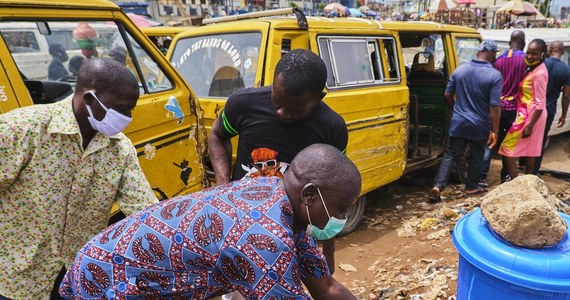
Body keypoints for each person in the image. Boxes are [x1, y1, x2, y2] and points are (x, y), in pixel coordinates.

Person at [59, 144, 361, 299]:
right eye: (340, 208)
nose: (342, 218)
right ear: (310, 194)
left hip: (123, 263)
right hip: (110, 277)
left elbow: (326, 288)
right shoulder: (262, 237)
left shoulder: (283, 198)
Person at [0, 58, 158, 300]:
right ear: (89, 99)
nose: (127, 117)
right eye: (121, 108)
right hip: (18, 278)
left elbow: (144, 208)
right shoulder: (22, 130)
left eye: (131, 109)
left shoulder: (118, 149)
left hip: (77, 276)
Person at [208, 49, 348, 279]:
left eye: (294, 110)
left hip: (294, 232)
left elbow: (331, 191)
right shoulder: (243, 104)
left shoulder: (332, 128)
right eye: (276, 102)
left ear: (318, 98)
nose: (282, 113)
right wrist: (222, 188)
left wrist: (329, 251)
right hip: (241, 223)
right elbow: (217, 134)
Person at [429, 40, 502, 202]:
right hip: (480, 124)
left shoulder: (460, 70)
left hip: (459, 121)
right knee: (476, 155)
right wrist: (495, 131)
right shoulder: (494, 75)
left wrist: (456, 109)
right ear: (491, 54)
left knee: (450, 155)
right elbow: (495, 107)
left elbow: (447, 95)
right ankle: (471, 187)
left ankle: (438, 186)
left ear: (478, 52)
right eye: (495, 54)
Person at [479, 30, 527, 186]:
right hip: (514, 109)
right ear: (523, 42)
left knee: (490, 142)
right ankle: (505, 176)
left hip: (496, 108)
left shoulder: (498, 60)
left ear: (509, 42)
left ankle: (482, 178)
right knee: (509, 144)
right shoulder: (525, 61)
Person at [499, 39, 549, 179]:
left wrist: (530, 126)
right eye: (528, 53)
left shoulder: (540, 74)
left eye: (534, 54)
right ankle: (527, 181)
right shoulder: (534, 68)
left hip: (531, 116)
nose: (530, 56)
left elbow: (540, 103)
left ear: (542, 54)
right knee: (530, 149)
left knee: (507, 147)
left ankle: (517, 181)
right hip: (529, 114)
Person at [533, 41, 570, 174]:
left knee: (528, 134)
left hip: (534, 106)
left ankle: (522, 163)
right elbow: (566, 95)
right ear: (562, 52)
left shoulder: (542, 64)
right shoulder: (566, 69)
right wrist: (564, 115)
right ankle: (534, 170)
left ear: (549, 50)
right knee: (541, 140)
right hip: (549, 109)